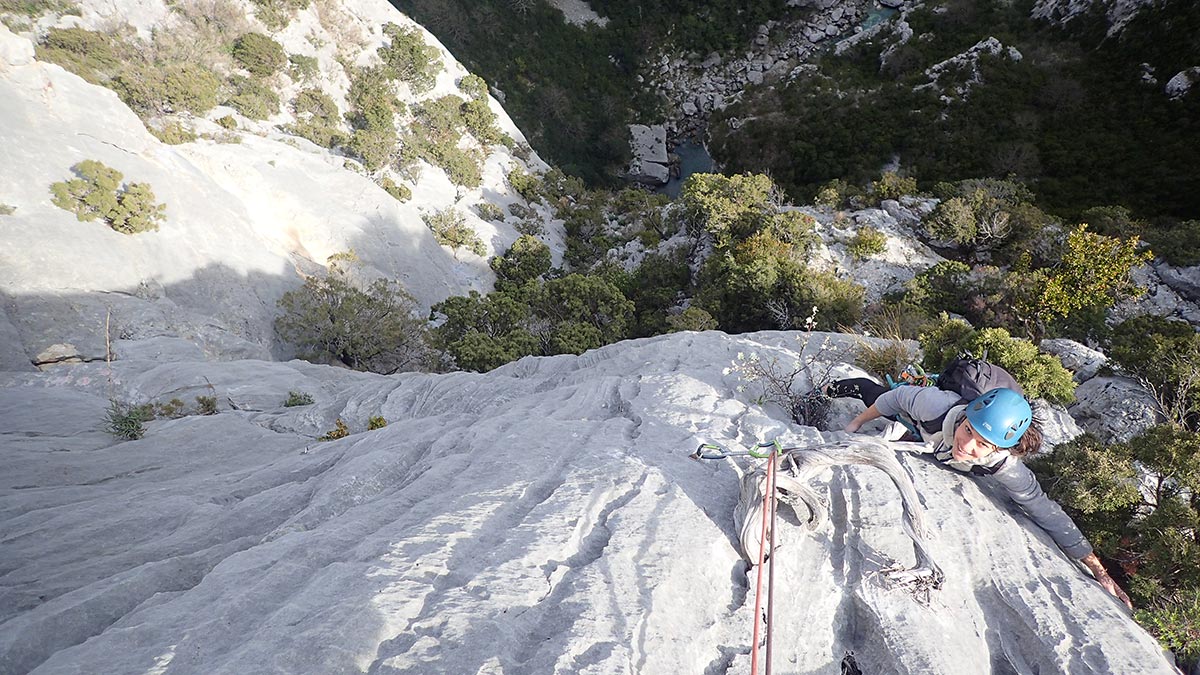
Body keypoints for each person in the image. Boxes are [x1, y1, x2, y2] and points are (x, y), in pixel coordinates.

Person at [829, 378, 1133, 609]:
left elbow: (1045, 510)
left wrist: (1099, 571)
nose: (968, 445)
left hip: (928, 441)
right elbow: (896, 398)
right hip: (922, 425)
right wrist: (857, 422)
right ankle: (845, 385)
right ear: (964, 417)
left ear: (998, 448)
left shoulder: (1006, 466)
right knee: (876, 395)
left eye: (982, 443)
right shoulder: (935, 406)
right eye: (969, 430)